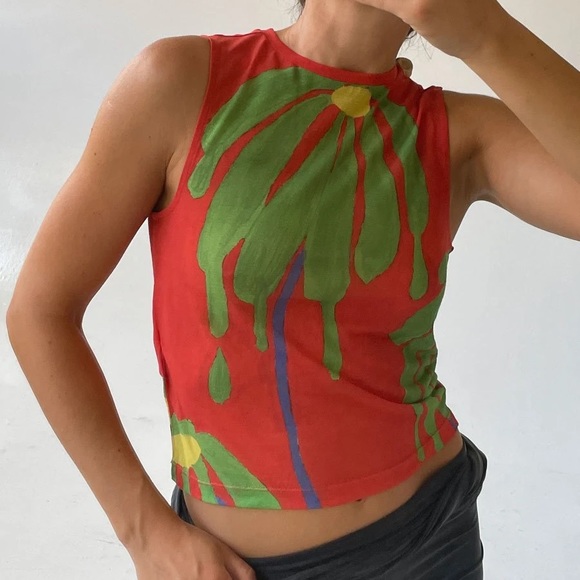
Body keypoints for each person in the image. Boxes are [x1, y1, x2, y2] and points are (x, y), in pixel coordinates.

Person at [6, 1, 580, 579]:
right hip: (238, 567)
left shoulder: (457, 133)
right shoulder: (184, 81)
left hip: (431, 542)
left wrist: (483, 32)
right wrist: (144, 531)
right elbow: (40, 310)